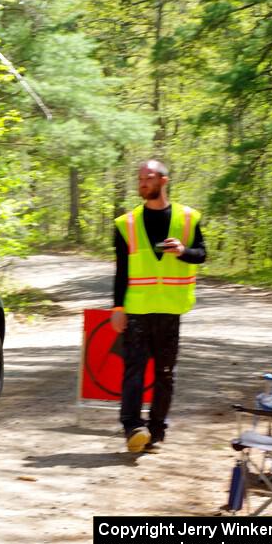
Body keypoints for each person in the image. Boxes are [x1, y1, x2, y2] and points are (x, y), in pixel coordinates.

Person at [111, 160, 207, 453]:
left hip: (170, 309)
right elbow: (122, 271)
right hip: (137, 310)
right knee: (134, 371)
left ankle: (155, 431)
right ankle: (132, 427)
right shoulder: (125, 223)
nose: (142, 182)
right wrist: (117, 308)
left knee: (165, 373)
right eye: (139, 178)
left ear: (163, 181)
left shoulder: (188, 218)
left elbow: (201, 255)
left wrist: (182, 251)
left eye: (148, 177)